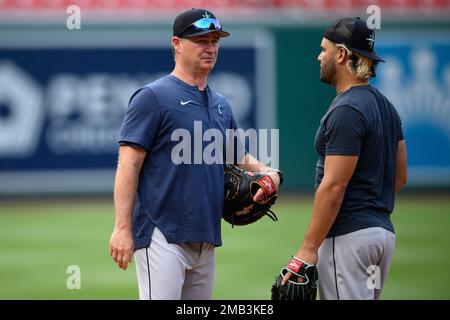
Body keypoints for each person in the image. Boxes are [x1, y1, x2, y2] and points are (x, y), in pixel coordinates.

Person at [109, 8, 281, 300]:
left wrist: (272, 173)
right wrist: (122, 228)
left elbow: (239, 156)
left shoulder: (221, 105)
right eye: (201, 40)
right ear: (177, 44)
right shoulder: (152, 97)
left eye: (215, 41)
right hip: (161, 233)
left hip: (206, 236)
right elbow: (128, 165)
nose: (210, 47)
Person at [282, 17, 407, 300]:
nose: (319, 56)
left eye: (324, 49)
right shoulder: (386, 107)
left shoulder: (348, 109)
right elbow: (400, 175)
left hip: (349, 237)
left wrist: (307, 249)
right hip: (381, 236)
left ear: (341, 54)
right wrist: (371, 213)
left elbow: (334, 185)